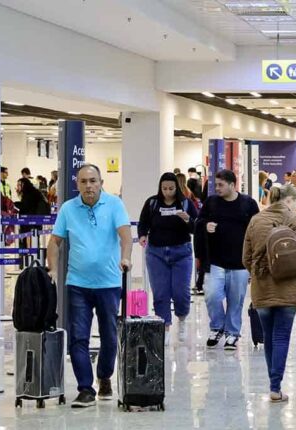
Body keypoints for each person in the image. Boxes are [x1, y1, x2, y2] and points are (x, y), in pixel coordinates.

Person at [46, 164, 132, 408]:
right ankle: (85, 388)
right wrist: (52, 268)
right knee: (78, 337)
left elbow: (126, 236)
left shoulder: (114, 204)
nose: (89, 186)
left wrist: (126, 257)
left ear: (101, 182)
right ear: (77, 184)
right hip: (78, 283)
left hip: (109, 283)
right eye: (83, 182)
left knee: (108, 335)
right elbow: (55, 242)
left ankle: (104, 376)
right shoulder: (68, 209)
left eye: (93, 181)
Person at [242, 184, 296, 403]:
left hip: (262, 287)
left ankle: (273, 384)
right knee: (282, 336)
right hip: (288, 285)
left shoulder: (256, 220)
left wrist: (258, 272)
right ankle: (275, 387)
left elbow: (245, 257)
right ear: (289, 201)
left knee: (269, 337)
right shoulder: (294, 220)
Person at [197, 169, 259, 350]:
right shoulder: (211, 203)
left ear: (233, 185)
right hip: (216, 261)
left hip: (240, 263)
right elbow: (199, 222)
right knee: (212, 295)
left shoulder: (248, 204)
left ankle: (232, 333)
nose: (217, 188)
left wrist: (254, 259)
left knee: (236, 300)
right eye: (216, 184)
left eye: (221, 185)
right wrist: (205, 225)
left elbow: (257, 229)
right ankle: (217, 326)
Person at [137, 172, 198, 346]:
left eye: (171, 188)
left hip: (181, 252)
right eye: (164, 188)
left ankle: (182, 318)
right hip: (156, 253)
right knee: (160, 292)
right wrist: (142, 235)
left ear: (176, 188)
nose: (168, 192)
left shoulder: (186, 203)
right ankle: (165, 326)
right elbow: (143, 223)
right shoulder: (152, 203)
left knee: (181, 292)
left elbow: (196, 226)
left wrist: (188, 220)